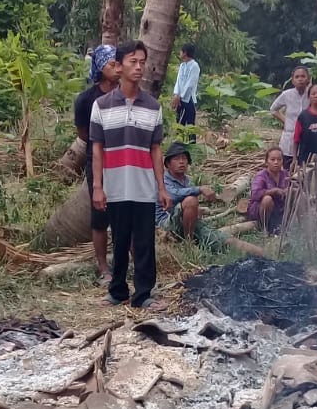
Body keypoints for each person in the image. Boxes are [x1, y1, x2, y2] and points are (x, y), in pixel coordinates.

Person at [90, 39, 170, 309]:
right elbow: (97, 149)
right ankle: (118, 291)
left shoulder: (153, 107)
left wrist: (161, 186)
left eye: (142, 62)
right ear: (118, 66)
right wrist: (98, 187)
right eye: (132, 62)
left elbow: (156, 150)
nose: (138, 67)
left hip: (144, 185)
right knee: (120, 238)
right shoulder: (101, 106)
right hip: (115, 184)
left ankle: (144, 293)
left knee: (145, 241)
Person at [74, 45, 121, 281]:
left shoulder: (128, 94)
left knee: (126, 212)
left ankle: (128, 261)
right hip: (98, 160)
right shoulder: (86, 100)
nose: (116, 68)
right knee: (100, 214)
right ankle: (103, 267)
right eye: (111, 64)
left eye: (117, 63)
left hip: (124, 159)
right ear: (100, 68)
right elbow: (84, 134)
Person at [155, 142, 224, 252]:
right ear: (168, 164)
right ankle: (188, 244)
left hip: (183, 222)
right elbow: (173, 195)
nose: (181, 162)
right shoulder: (163, 180)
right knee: (191, 200)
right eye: (177, 159)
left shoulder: (186, 180)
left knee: (225, 240)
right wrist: (200, 189)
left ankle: (260, 253)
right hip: (166, 223)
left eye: (184, 158)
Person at [270, 67, 310, 165]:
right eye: (297, 77)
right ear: (292, 80)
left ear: (308, 79)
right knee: (288, 168)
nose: (300, 79)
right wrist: (285, 121)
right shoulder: (287, 95)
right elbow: (273, 109)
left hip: (308, 137)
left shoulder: (313, 94)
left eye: (303, 76)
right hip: (289, 138)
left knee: (305, 168)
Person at [248, 146, 291, 234]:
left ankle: (302, 224)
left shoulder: (285, 174)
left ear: (282, 161)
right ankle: (264, 227)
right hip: (262, 211)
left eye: (279, 159)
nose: (276, 162)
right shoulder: (261, 176)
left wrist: (289, 190)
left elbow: (294, 186)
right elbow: (255, 194)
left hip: (280, 210)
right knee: (267, 199)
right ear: (267, 161)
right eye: (273, 159)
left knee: (297, 193)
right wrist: (273, 191)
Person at [171, 43, 201, 127]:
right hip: (179, 98)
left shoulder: (194, 66)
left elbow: (190, 84)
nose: (179, 53)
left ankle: (192, 140)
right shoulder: (182, 65)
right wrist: (176, 94)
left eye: (181, 51)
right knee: (179, 122)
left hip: (188, 98)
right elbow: (178, 81)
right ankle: (179, 139)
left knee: (190, 123)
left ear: (185, 53)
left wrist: (180, 96)